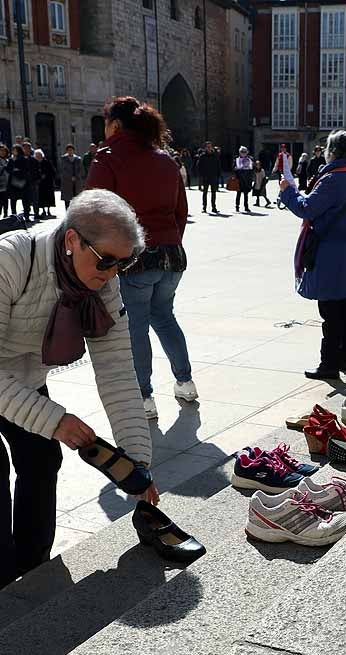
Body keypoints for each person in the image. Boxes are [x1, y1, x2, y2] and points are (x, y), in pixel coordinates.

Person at [0, 189, 156, 593]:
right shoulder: (6, 258)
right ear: (72, 240)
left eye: (126, 263)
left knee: (41, 458)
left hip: (17, 372)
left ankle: (34, 569)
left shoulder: (101, 281)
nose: (113, 273)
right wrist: (53, 420)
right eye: (106, 260)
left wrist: (137, 467)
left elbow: (119, 375)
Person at [86, 96, 198, 415]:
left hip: (135, 258)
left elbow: (93, 211)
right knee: (164, 316)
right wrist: (168, 242)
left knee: (135, 326)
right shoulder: (165, 159)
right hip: (171, 255)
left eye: (105, 123)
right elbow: (181, 212)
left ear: (116, 125)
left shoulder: (107, 158)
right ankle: (185, 381)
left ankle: (144, 396)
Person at [279, 130, 346, 381]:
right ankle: (345, 359)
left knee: (330, 310)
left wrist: (288, 191)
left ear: (334, 153)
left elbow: (306, 208)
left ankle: (329, 364)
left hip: (331, 253)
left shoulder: (333, 179)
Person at [7, 144, 33, 217]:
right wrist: (13, 170)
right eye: (13, 150)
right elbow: (8, 169)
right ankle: (14, 215)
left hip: (22, 182)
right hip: (13, 182)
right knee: (13, 200)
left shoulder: (23, 159)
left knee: (25, 200)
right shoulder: (11, 159)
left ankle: (26, 215)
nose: (14, 152)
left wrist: (18, 170)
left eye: (15, 150)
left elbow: (27, 169)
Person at [58, 143, 86, 209]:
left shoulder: (78, 159)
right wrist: (70, 177)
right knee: (67, 199)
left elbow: (81, 169)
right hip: (67, 181)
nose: (70, 151)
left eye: (71, 150)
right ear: (67, 151)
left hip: (77, 181)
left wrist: (77, 177)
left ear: (73, 150)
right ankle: (67, 211)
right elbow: (62, 170)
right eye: (69, 150)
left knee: (77, 198)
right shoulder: (63, 159)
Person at [196, 142, 219, 213]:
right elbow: (199, 166)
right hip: (205, 177)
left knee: (213, 192)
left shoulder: (215, 155)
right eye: (207, 147)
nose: (209, 148)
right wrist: (202, 175)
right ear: (205, 148)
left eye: (210, 146)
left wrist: (217, 175)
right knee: (205, 192)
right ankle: (204, 207)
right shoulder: (202, 156)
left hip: (213, 177)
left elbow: (218, 166)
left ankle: (214, 207)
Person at [35, 149, 56, 220]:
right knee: (41, 198)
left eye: (39, 155)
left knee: (48, 197)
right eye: (37, 156)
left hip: (47, 183)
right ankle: (43, 210)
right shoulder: (35, 163)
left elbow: (52, 171)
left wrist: (46, 175)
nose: (38, 157)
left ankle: (48, 210)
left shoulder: (47, 162)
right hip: (40, 183)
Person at [233, 146, 254, 213]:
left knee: (246, 194)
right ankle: (237, 206)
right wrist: (235, 168)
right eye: (242, 152)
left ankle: (246, 207)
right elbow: (233, 167)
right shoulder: (236, 159)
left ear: (247, 152)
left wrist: (253, 165)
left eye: (244, 152)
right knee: (238, 193)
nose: (243, 153)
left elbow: (253, 168)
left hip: (247, 178)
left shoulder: (250, 159)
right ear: (239, 152)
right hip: (239, 178)